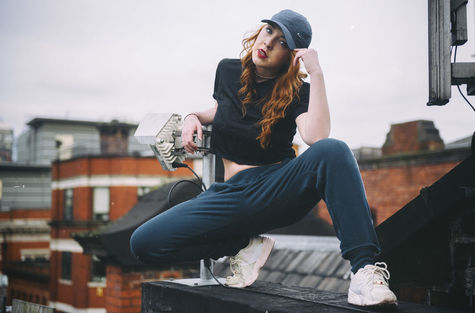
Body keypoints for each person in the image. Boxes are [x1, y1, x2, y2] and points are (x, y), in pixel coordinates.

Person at [130, 9, 398, 307]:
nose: (269, 43)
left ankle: (363, 270)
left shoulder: (298, 91)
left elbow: (316, 136)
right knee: (144, 243)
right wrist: (193, 116)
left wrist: (318, 74)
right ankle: (242, 245)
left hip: (275, 188)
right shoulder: (228, 71)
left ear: (293, 56)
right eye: (269, 31)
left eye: (282, 42)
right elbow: (225, 110)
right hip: (229, 196)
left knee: (333, 150)